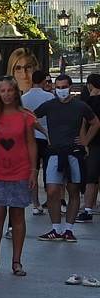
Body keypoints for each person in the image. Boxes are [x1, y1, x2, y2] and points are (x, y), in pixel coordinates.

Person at [33, 74, 99, 242]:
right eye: (58, 87)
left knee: (73, 190)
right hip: (55, 152)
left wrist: (85, 140)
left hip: (74, 153)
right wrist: (44, 132)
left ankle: (68, 229)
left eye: (64, 87)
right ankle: (56, 228)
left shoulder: (80, 106)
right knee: (52, 190)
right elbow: (31, 118)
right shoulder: (49, 105)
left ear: (70, 87)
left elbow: (95, 122)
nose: (61, 90)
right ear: (55, 88)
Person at [0, 76, 37, 276]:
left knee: (17, 214)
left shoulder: (26, 116)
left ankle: (17, 261)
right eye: (2, 91)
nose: (6, 94)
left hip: (21, 170)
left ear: (16, 92)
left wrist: (33, 170)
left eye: (9, 90)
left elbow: (31, 143)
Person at [20, 69, 54, 217]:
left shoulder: (24, 98)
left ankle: (35, 204)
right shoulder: (49, 97)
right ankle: (50, 199)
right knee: (49, 169)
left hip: (30, 136)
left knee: (33, 170)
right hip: (46, 136)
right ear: (43, 81)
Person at [77, 73, 100, 222]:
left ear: (90, 85)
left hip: (95, 144)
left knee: (91, 178)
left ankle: (87, 209)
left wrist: (85, 140)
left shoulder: (89, 102)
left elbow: (85, 123)